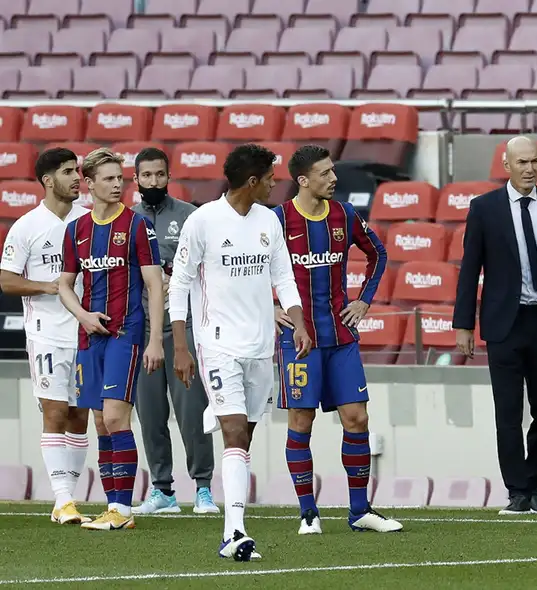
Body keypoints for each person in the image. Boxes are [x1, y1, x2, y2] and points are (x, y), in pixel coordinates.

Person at [169, 143, 312, 561]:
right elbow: (178, 285)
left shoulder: (269, 220)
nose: (274, 184)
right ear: (253, 181)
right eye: (270, 178)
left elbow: (283, 277)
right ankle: (234, 532)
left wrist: (298, 320)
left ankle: (233, 526)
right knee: (233, 431)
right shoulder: (203, 221)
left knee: (243, 438)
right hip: (217, 344)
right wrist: (181, 345)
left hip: (260, 346)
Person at [272, 145, 400, 534]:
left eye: (333, 171)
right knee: (301, 420)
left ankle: (359, 510)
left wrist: (363, 300)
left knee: (357, 418)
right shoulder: (277, 221)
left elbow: (378, 254)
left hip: (342, 336)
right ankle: (308, 513)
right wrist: (266, 306)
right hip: (300, 339)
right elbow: (247, 268)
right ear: (303, 180)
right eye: (325, 173)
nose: (334, 178)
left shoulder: (344, 214)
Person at [453, 136, 537, 515]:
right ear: (506, 165)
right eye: (522, 162)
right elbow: (469, 269)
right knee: (507, 412)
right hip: (504, 324)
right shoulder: (484, 208)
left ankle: (535, 487)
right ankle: (516, 491)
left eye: (534, 162)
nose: (529, 169)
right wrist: (464, 324)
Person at [58, 148, 165, 531]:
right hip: (90, 339)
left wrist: (154, 340)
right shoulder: (76, 229)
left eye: (121, 178)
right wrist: (82, 315)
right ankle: (113, 507)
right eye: (108, 179)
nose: (118, 184)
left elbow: (154, 284)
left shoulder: (136, 226)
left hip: (126, 334)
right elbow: (65, 285)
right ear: (89, 184)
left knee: (117, 417)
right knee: (101, 423)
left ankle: (122, 508)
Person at [0, 148, 91, 524]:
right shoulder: (26, 226)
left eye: (78, 171)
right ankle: (63, 498)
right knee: (54, 411)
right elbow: (6, 280)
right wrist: (49, 287)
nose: (77, 178)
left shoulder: (90, 221)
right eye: (68, 172)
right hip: (47, 333)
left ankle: (65, 499)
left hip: (86, 332)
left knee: (79, 415)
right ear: (48, 180)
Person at [130, 147, 217, 516]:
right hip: (141, 332)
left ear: (169, 175)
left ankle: (203, 488)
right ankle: (162, 490)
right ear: (136, 179)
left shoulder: (190, 217)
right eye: (146, 176)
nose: (153, 182)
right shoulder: (126, 220)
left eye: (159, 175)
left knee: (192, 410)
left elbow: (208, 268)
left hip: (183, 330)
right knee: (149, 414)